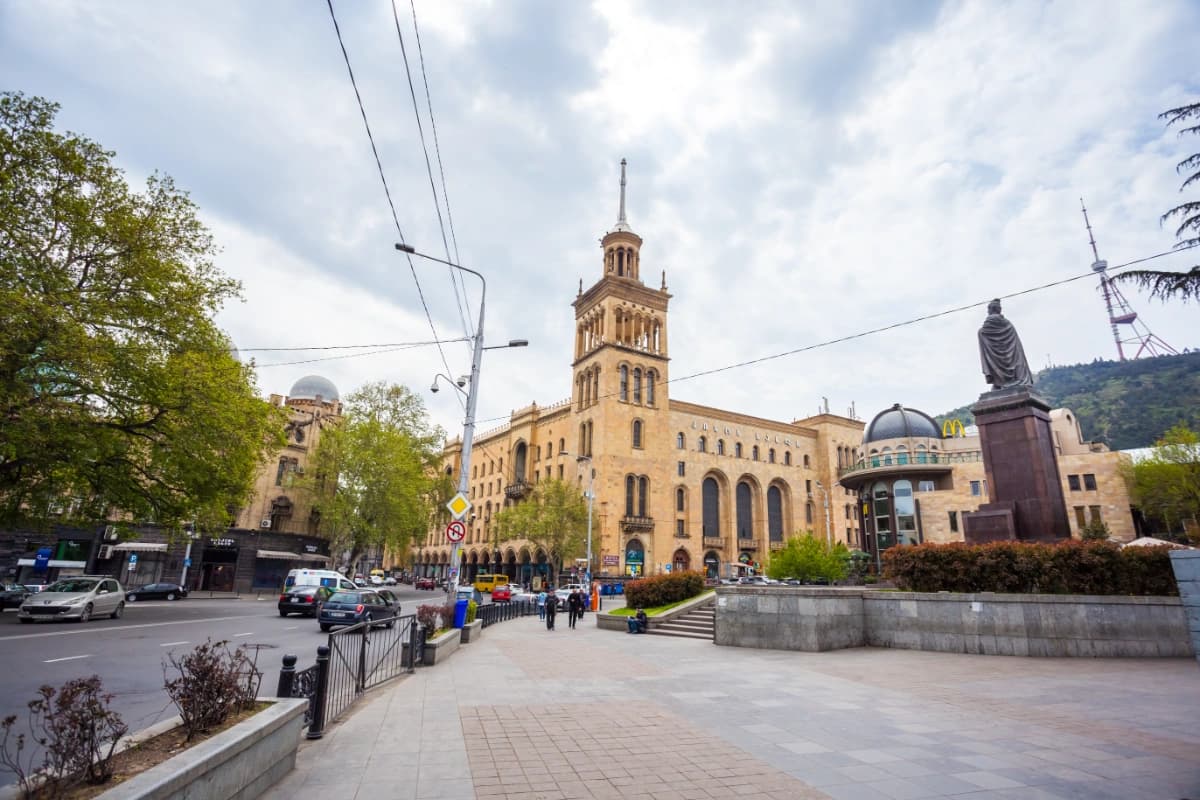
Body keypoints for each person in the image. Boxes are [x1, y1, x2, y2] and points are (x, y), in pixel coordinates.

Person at [978, 298, 1033, 391]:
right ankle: (1011, 379)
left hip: (997, 359)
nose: (987, 312)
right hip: (1012, 357)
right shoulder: (1008, 323)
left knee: (979, 332)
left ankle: (1000, 381)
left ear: (992, 309)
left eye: (988, 309)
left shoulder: (990, 321)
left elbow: (983, 332)